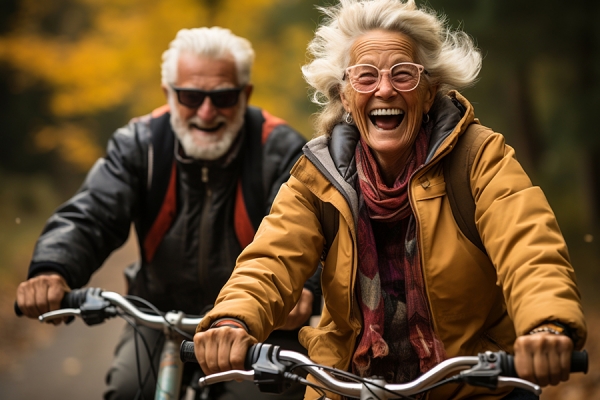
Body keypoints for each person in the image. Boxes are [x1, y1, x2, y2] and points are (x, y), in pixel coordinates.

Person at [192, 1, 587, 399]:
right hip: (349, 387)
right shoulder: (318, 175)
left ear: (429, 92)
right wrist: (232, 321)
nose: (384, 89)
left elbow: (528, 246)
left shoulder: (479, 158)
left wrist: (546, 325)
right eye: (365, 76)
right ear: (345, 97)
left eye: (403, 74)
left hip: (473, 387)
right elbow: (270, 260)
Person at [15, 27, 321, 400]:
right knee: (129, 390)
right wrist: (52, 268)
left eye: (222, 97)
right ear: (169, 94)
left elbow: (303, 234)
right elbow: (92, 213)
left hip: (260, 325)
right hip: (160, 316)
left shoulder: (281, 149)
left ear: (245, 94)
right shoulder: (140, 145)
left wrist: (306, 289)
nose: (206, 112)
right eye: (190, 96)